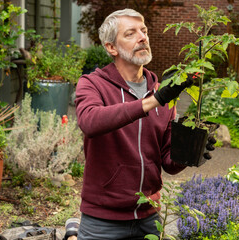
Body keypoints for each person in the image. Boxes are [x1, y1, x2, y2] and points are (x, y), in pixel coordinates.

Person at [64, 8, 211, 240]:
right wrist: (153, 101)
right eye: (130, 33)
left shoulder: (161, 92)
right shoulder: (92, 84)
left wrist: (190, 151)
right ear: (111, 47)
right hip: (103, 220)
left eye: (144, 31)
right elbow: (90, 121)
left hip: (149, 218)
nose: (142, 37)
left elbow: (167, 163)